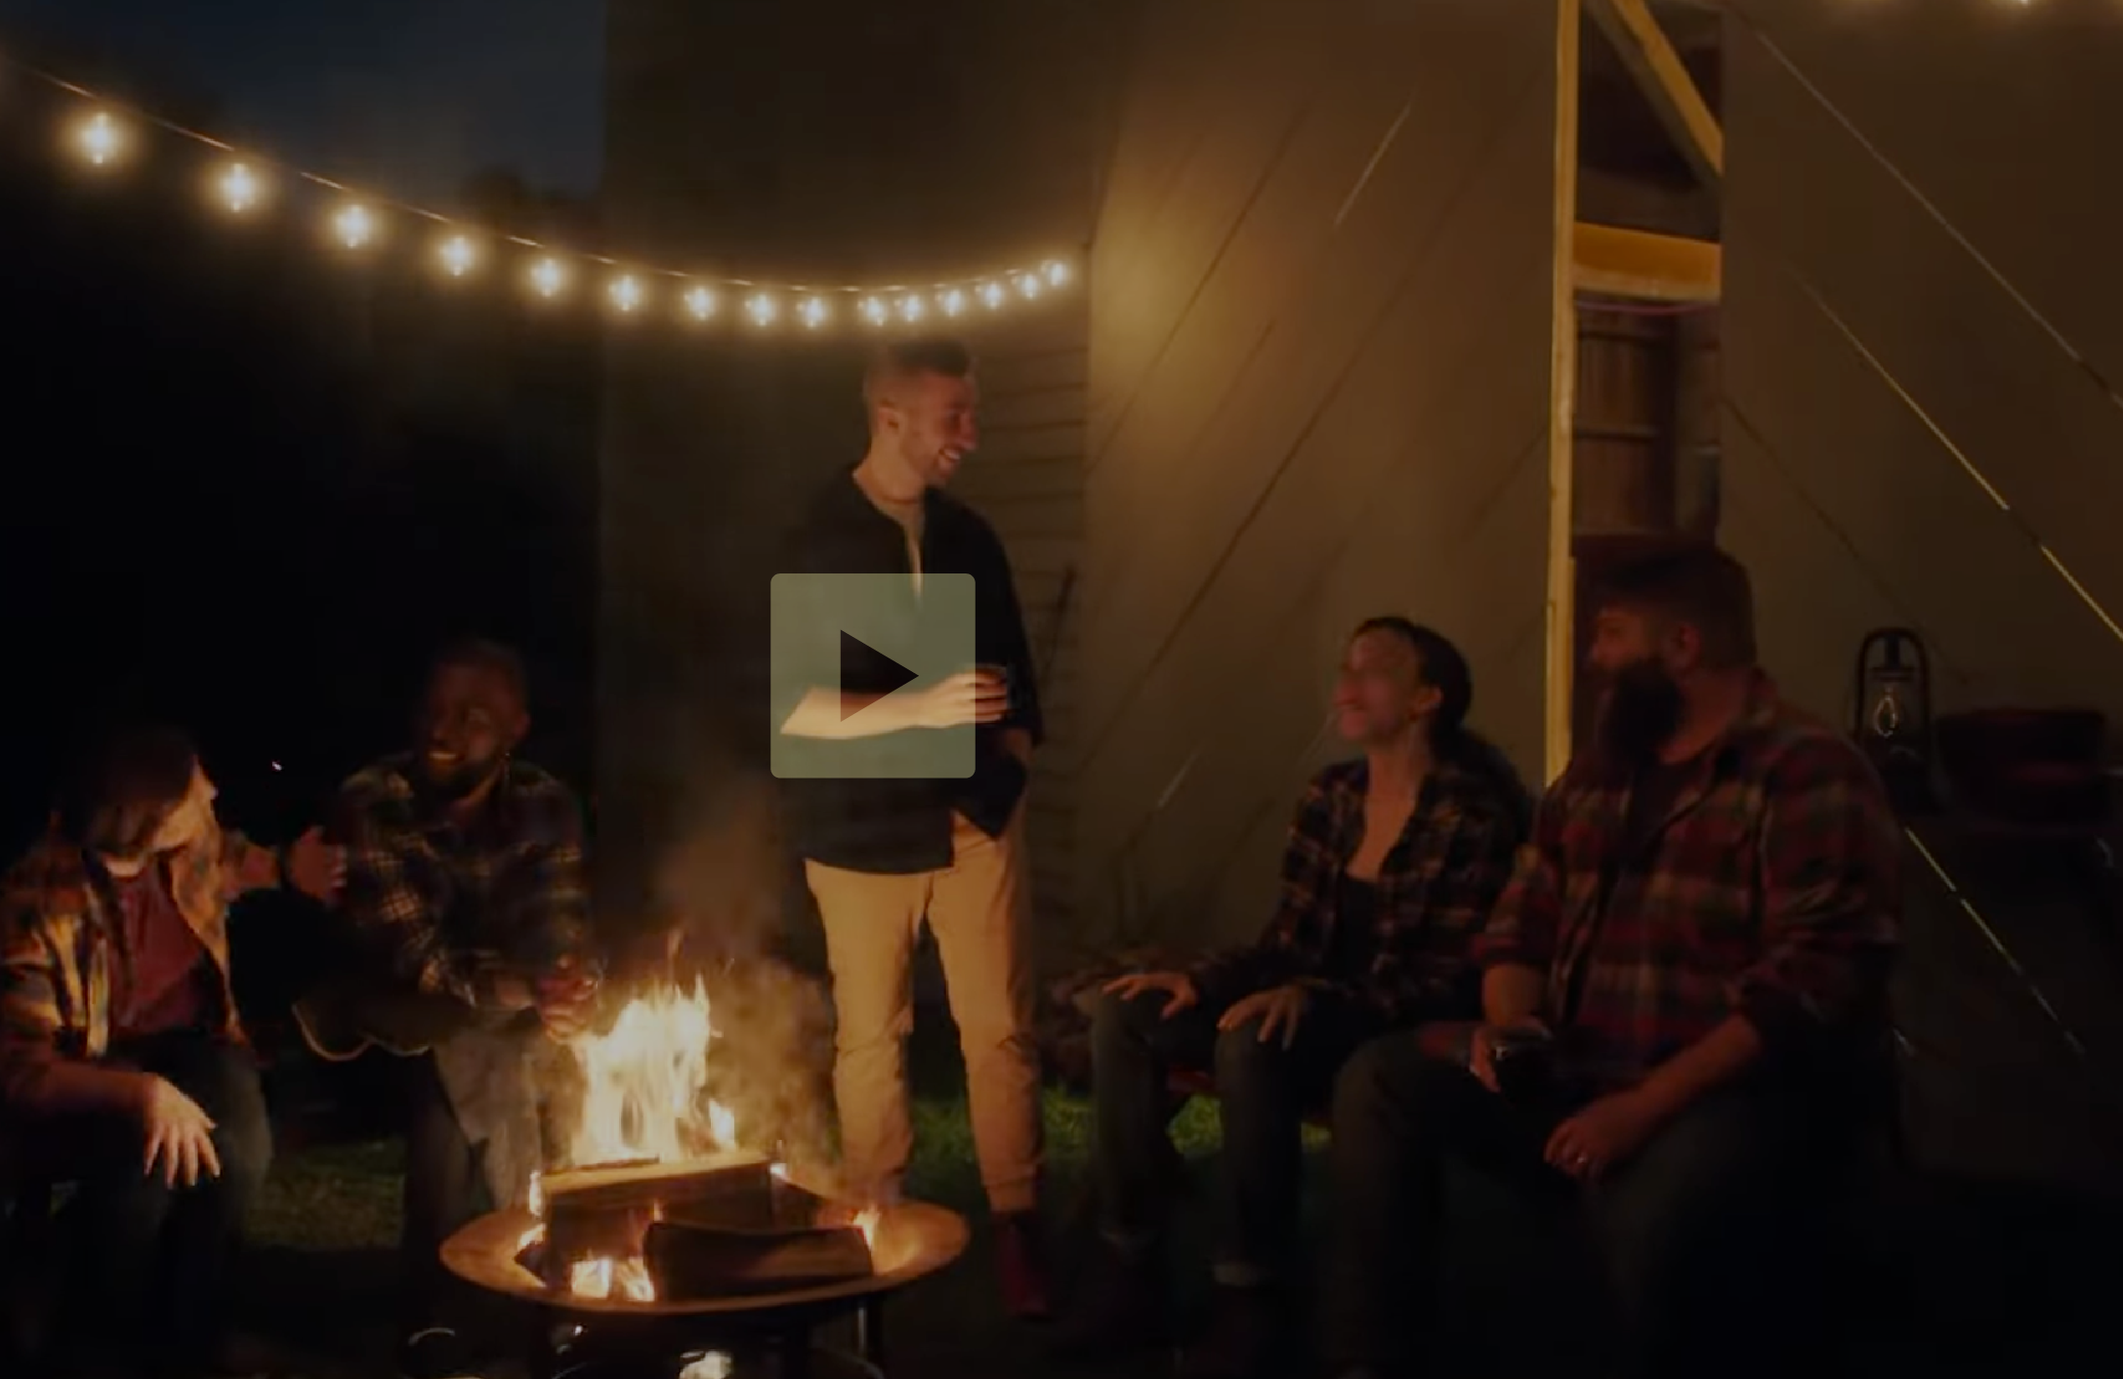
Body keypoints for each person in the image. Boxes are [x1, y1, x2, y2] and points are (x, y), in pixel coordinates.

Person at [1317, 545, 1903, 1379]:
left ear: (1683, 646)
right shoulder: (1598, 777)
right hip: (1581, 1066)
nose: (1593, 657)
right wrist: (1513, 1028)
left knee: (1653, 1207)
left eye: (1612, 634)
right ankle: (1370, 1360)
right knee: (1379, 1078)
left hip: (1730, 1093)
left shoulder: (1806, 772)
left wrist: (1639, 1110)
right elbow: (1519, 926)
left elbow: (1809, 991)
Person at [1057, 617, 1527, 1379]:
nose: (1346, 684)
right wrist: (1204, 979)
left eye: (1372, 669)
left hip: (1387, 1024)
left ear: (1426, 698)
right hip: (1301, 998)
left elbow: (1448, 978)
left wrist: (1313, 994)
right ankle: (1130, 1264)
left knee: (1254, 1040)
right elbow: (1286, 938)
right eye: (1344, 667)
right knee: (1127, 1014)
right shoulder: (1332, 795)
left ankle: (1252, 1292)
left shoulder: (1466, 817)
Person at [771, 337, 1052, 1318]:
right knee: (871, 1035)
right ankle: (875, 1219)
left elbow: (1016, 681)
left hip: (974, 822)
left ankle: (1019, 1224)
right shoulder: (821, 532)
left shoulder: (969, 536)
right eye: (952, 416)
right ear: (889, 415)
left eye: (972, 412)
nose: (970, 434)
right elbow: (797, 712)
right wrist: (922, 705)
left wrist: (1008, 772)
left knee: (1001, 1028)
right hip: (858, 831)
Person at [0, 724, 342, 1376]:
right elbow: (26, 1070)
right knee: (141, 1175)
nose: (212, 791)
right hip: (90, 1061)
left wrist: (289, 867)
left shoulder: (187, 846)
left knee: (239, 1148)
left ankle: (193, 1337)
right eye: (193, 790)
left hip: (194, 1040)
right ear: (148, 819)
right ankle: (100, 1338)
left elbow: (230, 860)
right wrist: (140, 1092)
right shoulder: (36, 904)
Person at [292, 638, 598, 1379]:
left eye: (471, 717)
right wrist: (520, 989)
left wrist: (565, 986)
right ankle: (531, 1272)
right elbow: (418, 958)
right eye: (434, 710)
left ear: (515, 730)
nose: (442, 730)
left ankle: (436, 1308)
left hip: (497, 1016)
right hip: (376, 1021)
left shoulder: (543, 803)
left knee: (502, 1047)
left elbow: (559, 926)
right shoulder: (375, 800)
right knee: (456, 1048)